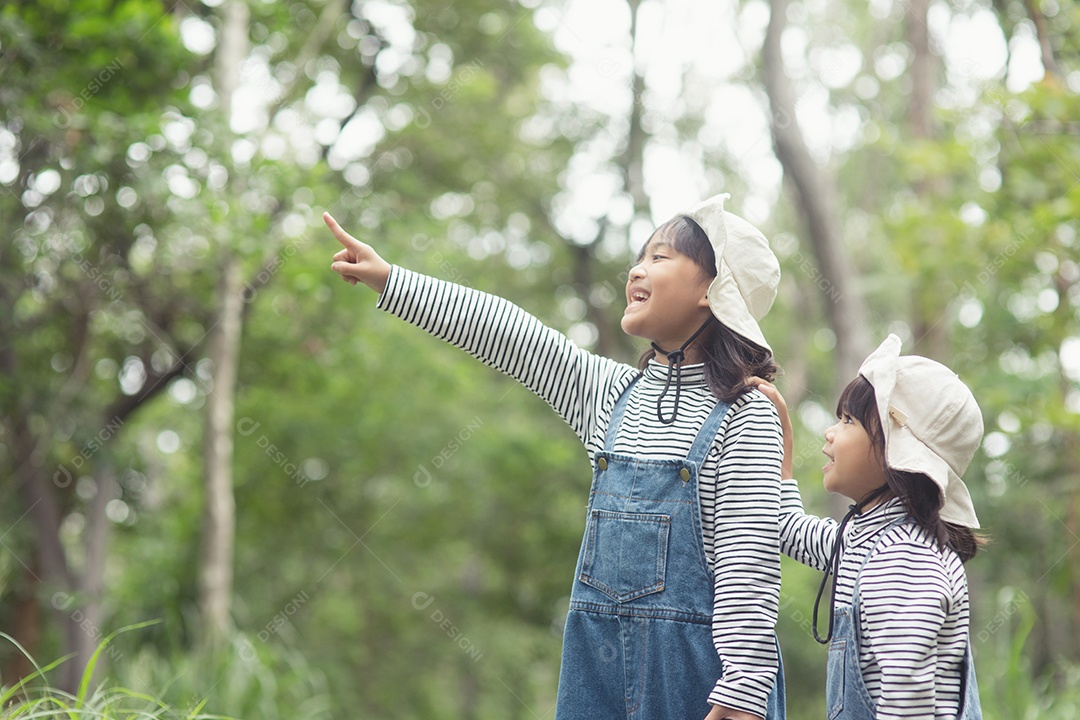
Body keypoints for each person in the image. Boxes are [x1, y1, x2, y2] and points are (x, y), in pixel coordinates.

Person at [325, 192, 787, 720]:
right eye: (641, 256)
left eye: (659, 258)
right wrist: (393, 280)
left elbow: (747, 564)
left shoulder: (745, 414)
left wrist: (745, 691)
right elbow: (512, 335)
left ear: (713, 291)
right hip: (597, 670)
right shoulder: (614, 393)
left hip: (700, 683)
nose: (636, 270)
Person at [752, 334, 985, 720]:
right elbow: (788, 528)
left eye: (847, 420)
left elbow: (905, 702)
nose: (830, 432)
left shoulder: (901, 557)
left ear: (894, 452)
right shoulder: (866, 539)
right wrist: (780, 441)